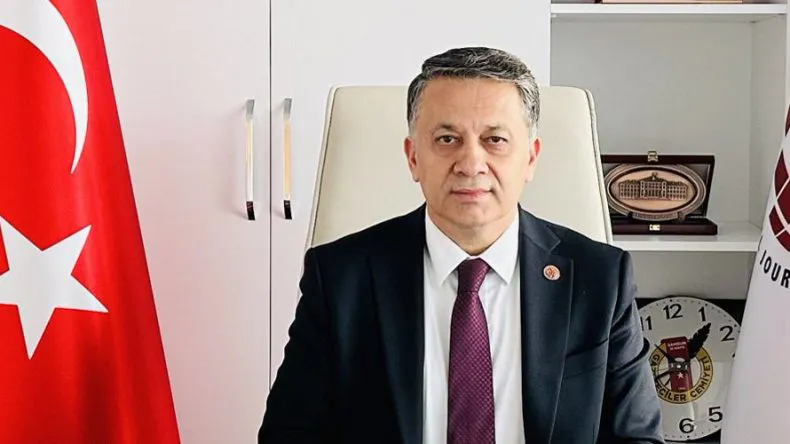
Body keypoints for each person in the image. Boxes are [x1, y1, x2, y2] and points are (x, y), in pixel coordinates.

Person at [258, 46, 664, 444]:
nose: (470, 164)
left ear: (531, 158)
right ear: (413, 157)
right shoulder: (340, 279)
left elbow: (636, 437)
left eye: (495, 139)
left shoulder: (600, 279)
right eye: (447, 138)